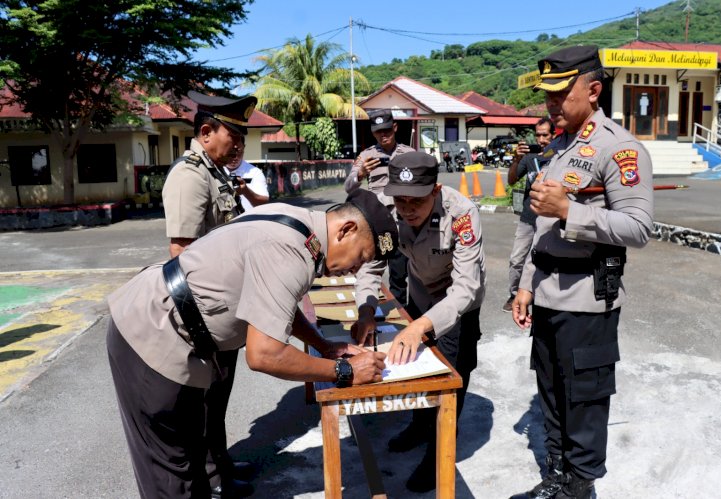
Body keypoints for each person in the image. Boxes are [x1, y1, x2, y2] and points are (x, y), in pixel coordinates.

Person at [107, 188, 399, 498]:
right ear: (346, 230)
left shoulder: (301, 226)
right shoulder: (292, 252)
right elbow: (264, 355)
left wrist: (322, 344)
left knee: (192, 456)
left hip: (178, 327)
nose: (354, 271)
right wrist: (344, 371)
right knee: (172, 477)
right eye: (360, 258)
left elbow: (275, 302)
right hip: (153, 332)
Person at [511, 45, 654, 499]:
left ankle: (580, 485)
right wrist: (522, 285)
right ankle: (556, 477)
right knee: (551, 390)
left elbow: (638, 227)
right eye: (547, 96)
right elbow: (532, 222)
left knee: (585, 398)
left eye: (560, 93)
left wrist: (570, 210)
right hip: (547, 292)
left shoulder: (619, 148)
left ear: (593, 90)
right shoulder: (557, 148)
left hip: (587, 297)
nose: (551, 104)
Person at [351, 151, 486, 493]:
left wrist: (419, 326)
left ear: (436, 190)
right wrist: (366, 308)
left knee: (450, 382)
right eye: (401, 200)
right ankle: (418, 426)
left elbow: (466, 287)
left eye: (416, 201)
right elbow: (371, 264)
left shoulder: (462, 214)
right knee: (418, 368)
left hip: (458, 306)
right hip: (421, 295)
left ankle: (438, 454)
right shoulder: (386, 209)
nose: (407, 208)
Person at [160, 90, 256, 497]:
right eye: (233, 137)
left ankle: (222, 462)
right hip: (204, 311)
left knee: (218, 399)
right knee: (203, 403)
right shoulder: (189, 176)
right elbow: (181, 252)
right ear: (205, 132)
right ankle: (212, 479)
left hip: (222, 305)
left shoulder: (214, 173)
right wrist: (206, 322)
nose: (238, 146)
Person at [344, 109, 414, 307]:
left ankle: (402, 317)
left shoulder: (409, 154)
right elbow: (348, 187)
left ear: (395, 127)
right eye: (378, 132)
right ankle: (369, 312)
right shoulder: (366, 156)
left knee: (400, 277)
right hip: (378, 226)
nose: (383, 135)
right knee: (370, 272)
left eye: (387, 130)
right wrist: (360, 174)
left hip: (403, 225)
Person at [503, 117, 555, 312]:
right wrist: (516, 159)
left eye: (545, 135)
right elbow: (511, 180)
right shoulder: (527, 157)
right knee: (517, 259)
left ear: (553, 134)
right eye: (538, 135)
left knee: (546, 258)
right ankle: (514, 294)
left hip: (550, 218)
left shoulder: (559, 155)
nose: (541, 140)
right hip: (528, 217)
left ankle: (542, 295)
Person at [224, 136, 270, 212]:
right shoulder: (215, 169)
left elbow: (264, 203)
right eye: (230, 151)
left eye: (238, 151)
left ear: (244, 147)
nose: (235, 157)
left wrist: (246, 191)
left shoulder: (255, 173)